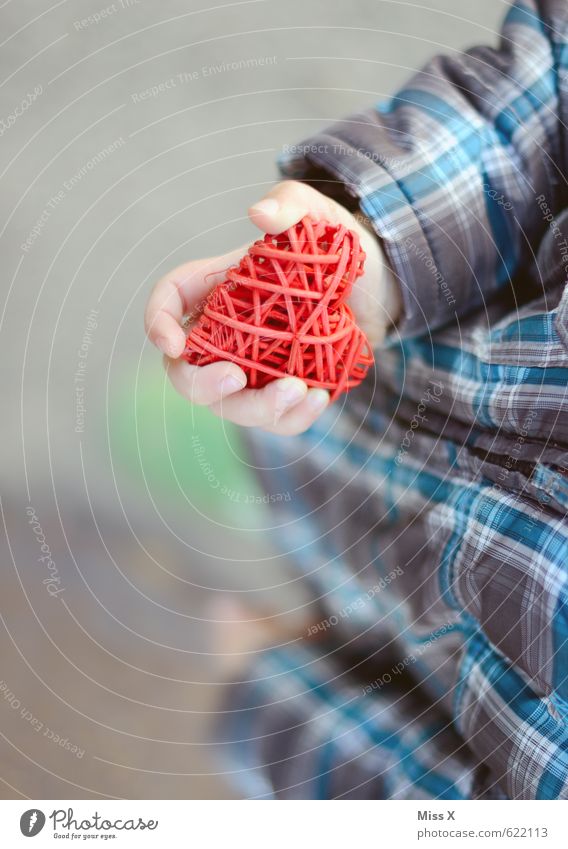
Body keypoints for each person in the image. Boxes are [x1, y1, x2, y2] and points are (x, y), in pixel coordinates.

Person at [145, 0, 568, 799]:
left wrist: (280, 703)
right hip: (372, 376)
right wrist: (378, 244)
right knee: (279, 465)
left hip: (403, 647)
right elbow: (551, 100)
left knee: (334, 601)